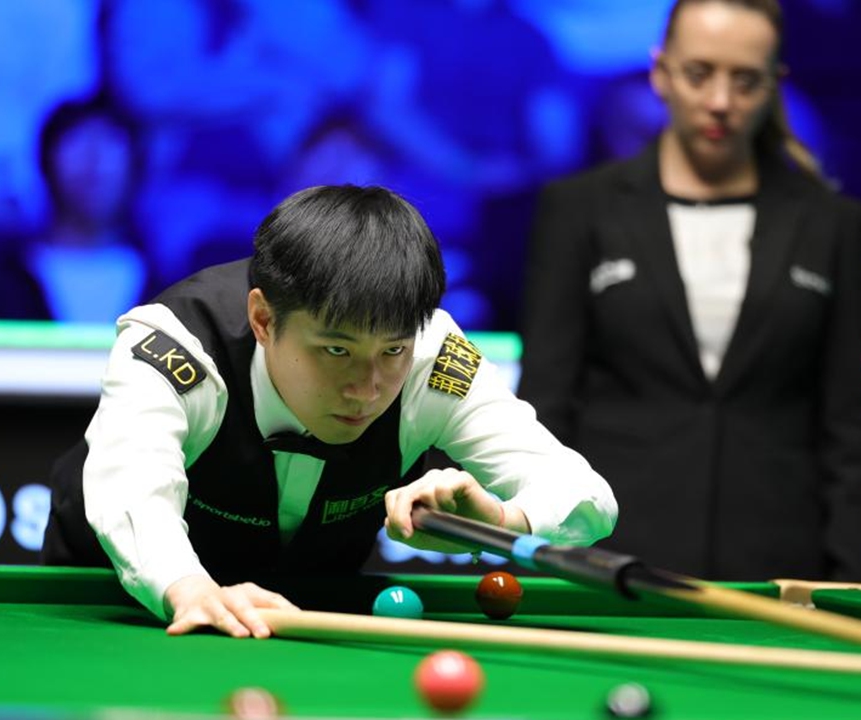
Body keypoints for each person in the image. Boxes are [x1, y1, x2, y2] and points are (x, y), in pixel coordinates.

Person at [42, 184, 617, 638]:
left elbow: (588, 498)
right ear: (265, 321)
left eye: (391, 350)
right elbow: (132, 490)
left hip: (306, 619)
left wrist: (499, 524)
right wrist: (188, 588)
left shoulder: (433, 357)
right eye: (336, 350)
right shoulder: (178, 344)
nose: (367, 388)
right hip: (122, 607)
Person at [517, 0, 861, 582]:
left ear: (774, 85)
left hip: (779, 570)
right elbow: (545, 406)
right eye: (698, 73)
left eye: (745, 81)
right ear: (660, 73)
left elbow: (848, 429)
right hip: (609, 565)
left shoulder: (828, 223)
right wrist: (538, 558)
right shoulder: (578, 211)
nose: (720, 102)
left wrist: (859, 582)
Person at [0, 95, 154, 322]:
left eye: (111, 141)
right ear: (46, 161)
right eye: (75, 140)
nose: (93, 159)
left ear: (135, 164)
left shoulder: (171, 287)